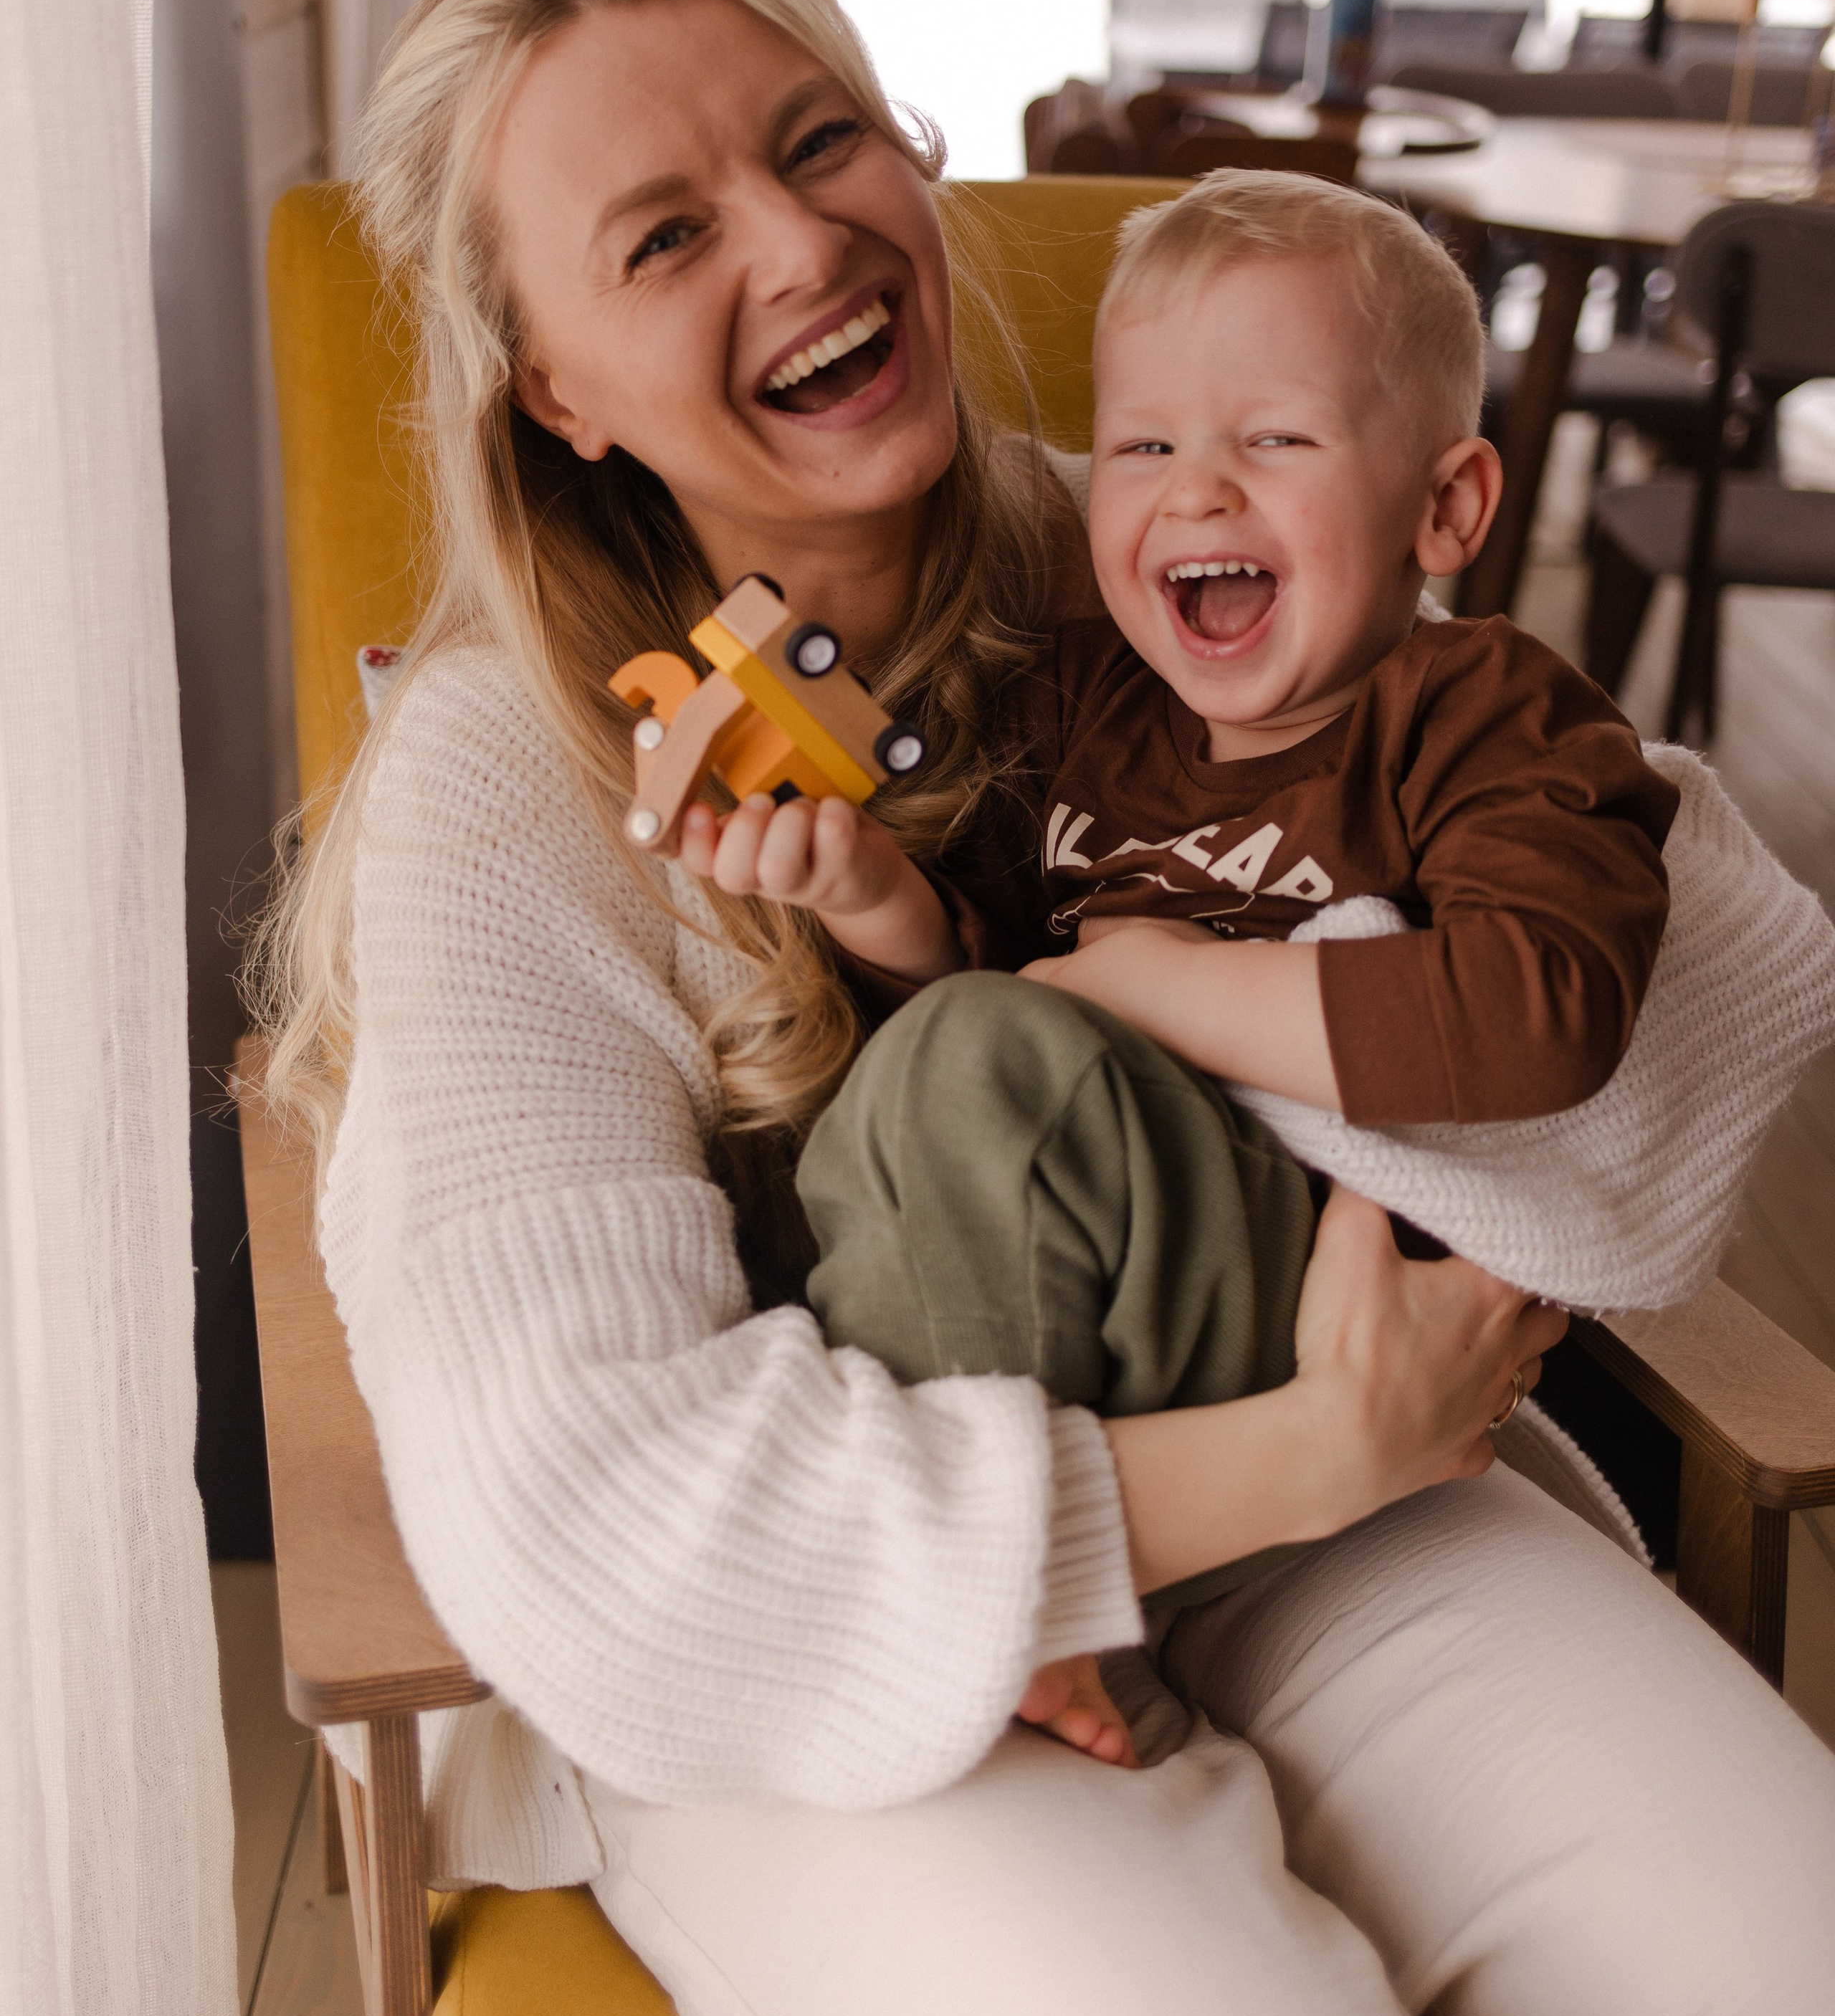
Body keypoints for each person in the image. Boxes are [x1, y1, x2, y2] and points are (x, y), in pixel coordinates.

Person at [257, 0, 1835, 2016]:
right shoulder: (505, 787)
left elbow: (1685, 1004)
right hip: (832, 1641)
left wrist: (1261, 1008)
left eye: (820, 144)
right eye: (663, 235)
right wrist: (1299, 1444)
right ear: (553, 390)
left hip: (1340, 1494)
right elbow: (595, 1516)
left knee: (1796, 1986)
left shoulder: (1168, 555)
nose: (798, 249)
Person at [677, 168, 1683, 1762]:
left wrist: (1146, 984)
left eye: (1272, 440)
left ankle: (999, 1598)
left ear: (1444, 509)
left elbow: (1542, 1012)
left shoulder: (1480, 709)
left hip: (1332, 1330)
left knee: (958, 1072)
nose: (1194, 491)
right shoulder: (1091, 712)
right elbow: (1006, 1005)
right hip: (1115, 1330)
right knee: (873, 1115)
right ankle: (972, 1565)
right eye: (1141, 445)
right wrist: (877, 900)